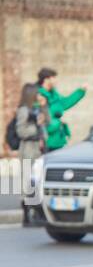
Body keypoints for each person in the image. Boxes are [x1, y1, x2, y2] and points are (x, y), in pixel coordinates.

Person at [14, 82, 47, 226]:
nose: (39, 95)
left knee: (36, 180)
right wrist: (35, 128)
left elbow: (46, 126)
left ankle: (37, 211)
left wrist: (44, 109)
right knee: (28, 181)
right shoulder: (23, 110)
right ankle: (27, 215)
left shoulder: (36, 109)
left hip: (37, 149)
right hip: (27, 149)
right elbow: (20, 131)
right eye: (37, 93)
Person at [37, 68, 86, 151]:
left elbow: (65, 103)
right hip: (46, 142)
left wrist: (80, 91)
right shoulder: (39, 96)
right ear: (46, 79)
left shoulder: (55, 95)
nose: (56, 81)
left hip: (58, 140)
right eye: (54, 78)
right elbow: (41, 120)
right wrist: (56, 123)